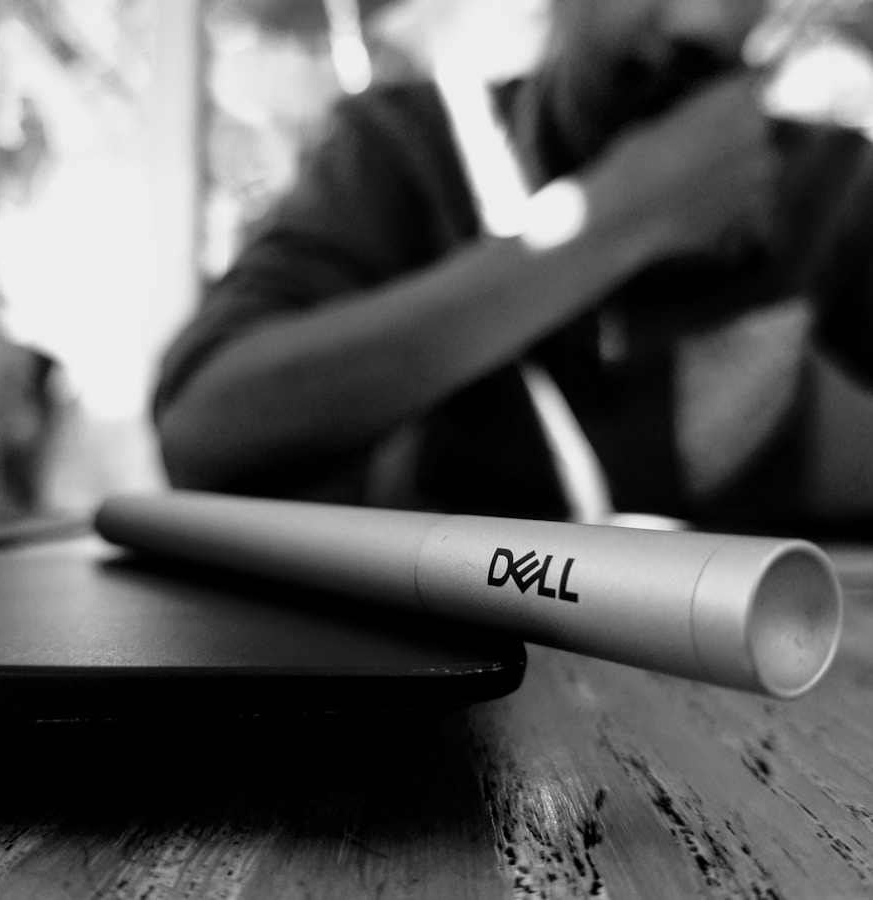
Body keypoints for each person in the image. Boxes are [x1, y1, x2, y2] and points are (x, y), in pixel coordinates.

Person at [152, 0, 873, 529]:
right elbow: (203, 429)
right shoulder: (405, 151)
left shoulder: (829, 183)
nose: (698, 21)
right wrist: (615, 221)